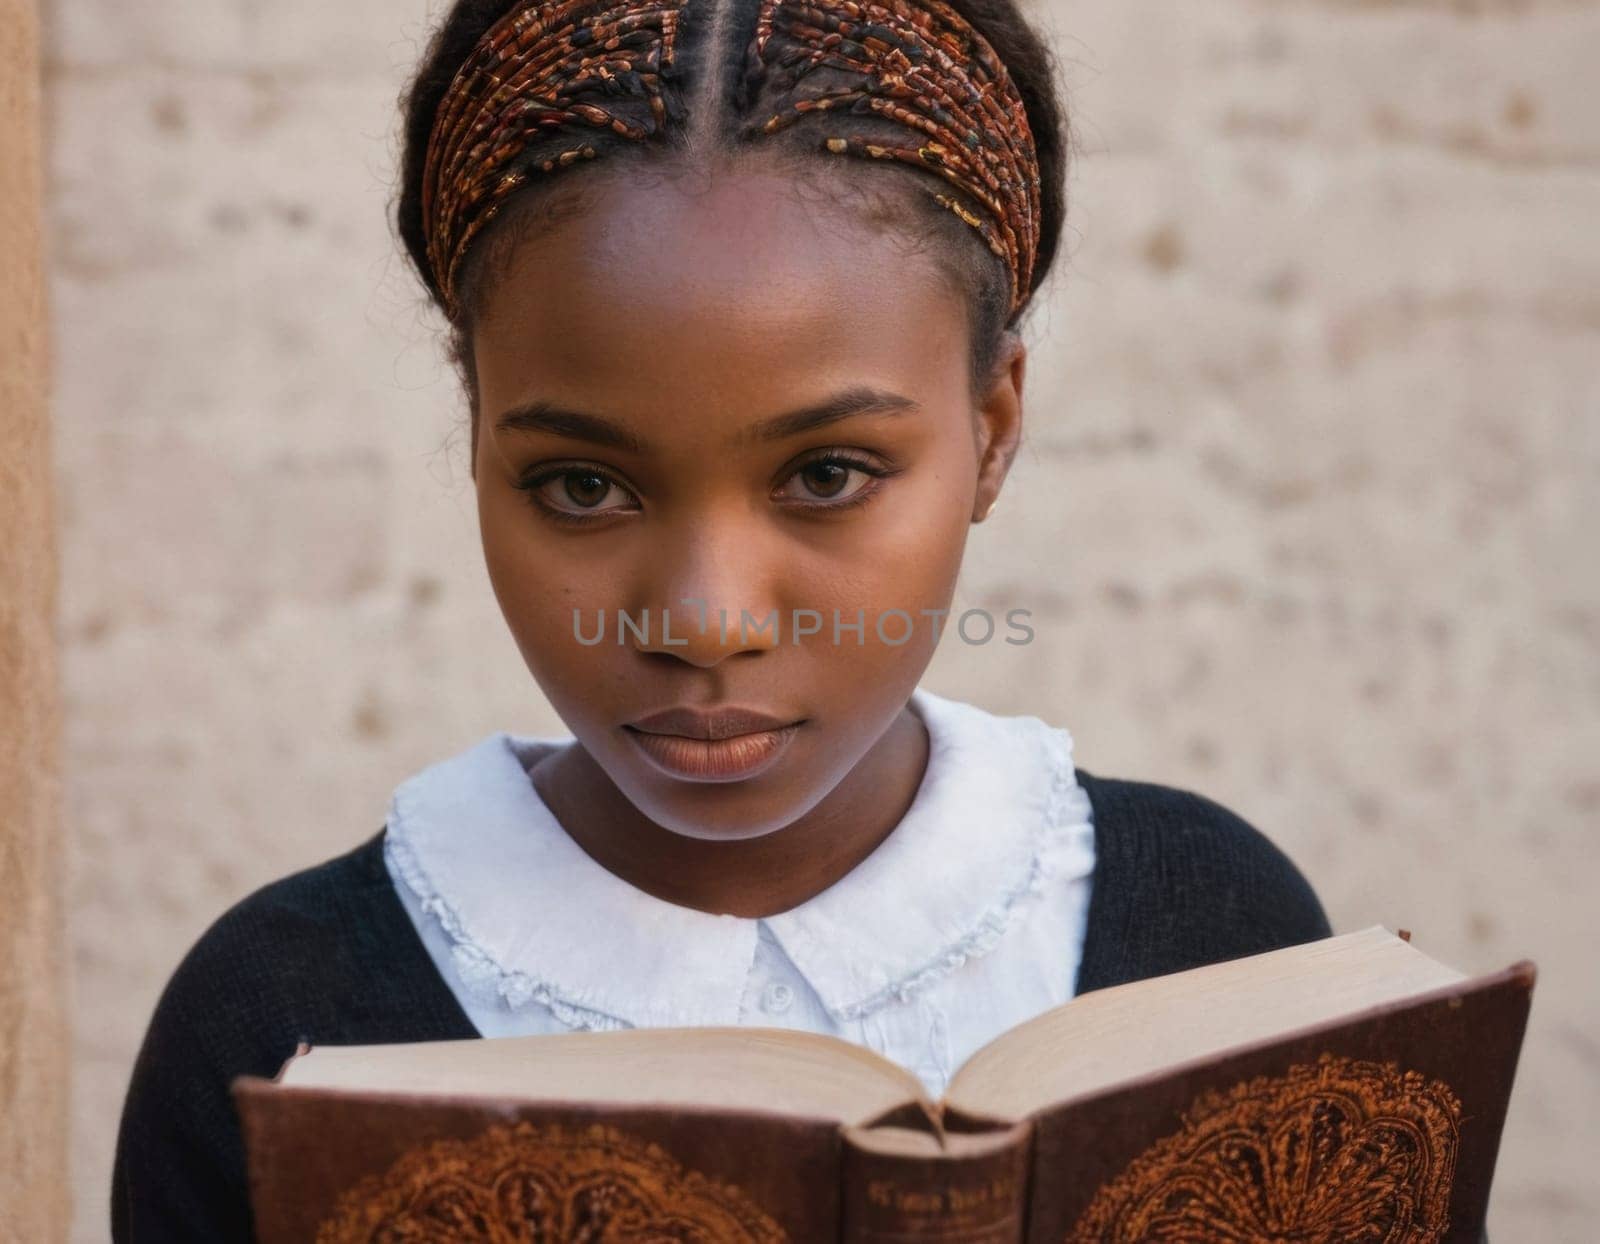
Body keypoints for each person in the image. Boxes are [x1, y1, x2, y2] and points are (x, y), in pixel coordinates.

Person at [111, 0, 1335, 1237]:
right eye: (582, 486)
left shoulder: (1217, 941)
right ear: (476, 429)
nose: (705, 621)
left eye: (826, 474)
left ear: (993, 425)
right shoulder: (276, 1026)